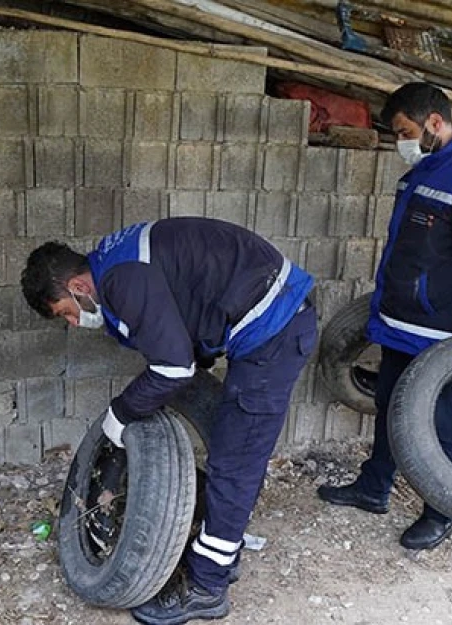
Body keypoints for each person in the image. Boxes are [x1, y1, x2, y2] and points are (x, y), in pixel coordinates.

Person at [21, 217, 317, 624]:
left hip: (275, 327)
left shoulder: (122, 282)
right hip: (267, 310)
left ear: (78, 287)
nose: (74, 324)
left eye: (66, 314)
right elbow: (186, 314)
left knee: (235, 459)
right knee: (231, 446)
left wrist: (121, 413)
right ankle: (222, 544)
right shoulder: (113, 263)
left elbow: (174, 369)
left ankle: (207, 587)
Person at [317, 82, 452, 550]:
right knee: (391, 409)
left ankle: (442, 509)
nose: (400, 141)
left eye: (405, 131)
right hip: (401, 325)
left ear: (435, 123)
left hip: (443, 335)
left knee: (444, 425)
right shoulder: (422, 173)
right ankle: (373, 488)